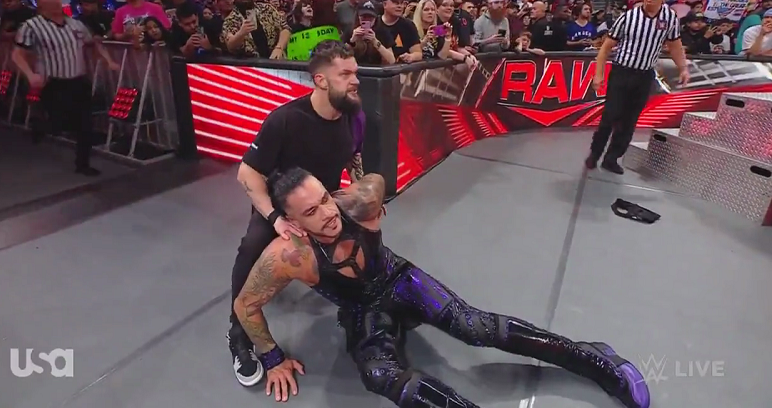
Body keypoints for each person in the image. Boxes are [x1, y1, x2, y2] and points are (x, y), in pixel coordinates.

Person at [234, 167, 650, 408]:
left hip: (400, 279)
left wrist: (357, 202)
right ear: (292, 223)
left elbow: (375, 181)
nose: (327, 213)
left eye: (325, 198)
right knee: (378, 375)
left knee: (474, 326)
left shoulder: (352, 206)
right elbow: (245, 305)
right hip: (363, 310)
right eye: (311, 211)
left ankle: (595, 358)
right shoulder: (287, 255)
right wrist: (272, 358)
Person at [227, 40, 366, 387]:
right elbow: (247, 174)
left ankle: (361, 309)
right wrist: (275, 218)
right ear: (321, 80)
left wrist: (360, 193)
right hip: (282, 208)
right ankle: (238, 335)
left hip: (325, 203)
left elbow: (353, 157)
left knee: (365, 241)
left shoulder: (354, 115)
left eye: (355, 73)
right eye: (345, 74)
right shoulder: (285, 120)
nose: (355, 80)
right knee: (252, 246)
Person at [587, 0, 690, 174]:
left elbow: (675, 45)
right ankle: (595, 153)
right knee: (610, 116)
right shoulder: (628, 17)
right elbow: (606, 47)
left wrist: (683, 68)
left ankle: (612, 158)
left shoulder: (669, 18)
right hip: (622, 72)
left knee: (629, 121)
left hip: (644, 75)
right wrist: (598, 74)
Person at [12, 0, 120, 175]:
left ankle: (82, 164)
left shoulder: (75, 24)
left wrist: (108, 60)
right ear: (40, 2)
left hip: (78, 80)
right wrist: (30, 74)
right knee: (61, 123)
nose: (54, 1)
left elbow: (93, 43)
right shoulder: (31, 26)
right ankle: (42, 125)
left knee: (85, 124)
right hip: (54, 82)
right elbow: (17, 54)